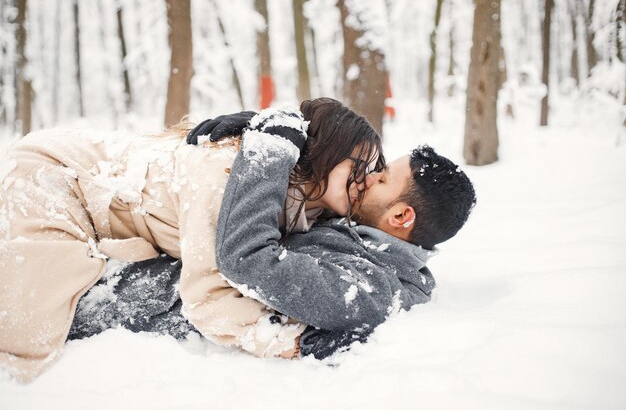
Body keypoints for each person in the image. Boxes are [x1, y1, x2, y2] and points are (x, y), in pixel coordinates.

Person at [0, 98, 383, 382]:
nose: (367, 181)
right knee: (31, 323)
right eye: (358, 167)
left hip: (104, 198)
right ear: (321, 155)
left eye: (375, 169)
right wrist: (294, 341)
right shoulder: (225, 173)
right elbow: (208, 299)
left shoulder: (314, 201)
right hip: (52, 175)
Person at [70, 115, 476, 360]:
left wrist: (269, 150)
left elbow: (249, 261)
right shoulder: (364, 234)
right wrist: (266, 129)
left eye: (383, 178)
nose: (369, 177)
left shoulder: (372, 287)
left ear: (402, 215)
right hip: (149, 248)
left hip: (129, 304)